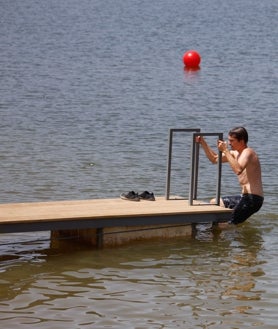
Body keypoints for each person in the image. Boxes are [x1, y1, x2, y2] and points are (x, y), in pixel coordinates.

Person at [196, 127, 264, 225]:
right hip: (244, 197)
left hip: (253, 199)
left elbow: (238, 170)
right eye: (229, 140)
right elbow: (214, 159)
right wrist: (203, 143)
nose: (229, 143)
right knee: (215, 202)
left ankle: (226, 232)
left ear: (241, 141)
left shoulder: (248, 152)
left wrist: (225, 151)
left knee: (226, 225)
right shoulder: (235, 153)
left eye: (232, 140)